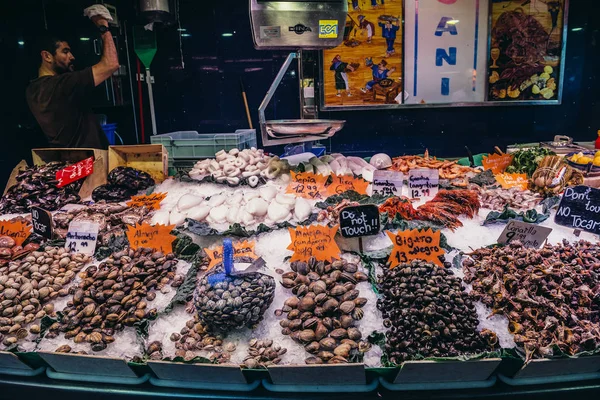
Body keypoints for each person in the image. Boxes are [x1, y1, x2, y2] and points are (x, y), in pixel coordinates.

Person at [26, 10, 119, 149]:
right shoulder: (61, 85)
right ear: (47, 56)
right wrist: (103, 25)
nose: (72, 56)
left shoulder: (32, 90)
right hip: (89, 163)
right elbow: (111, 64)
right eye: (65, 51)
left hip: (67, 161)